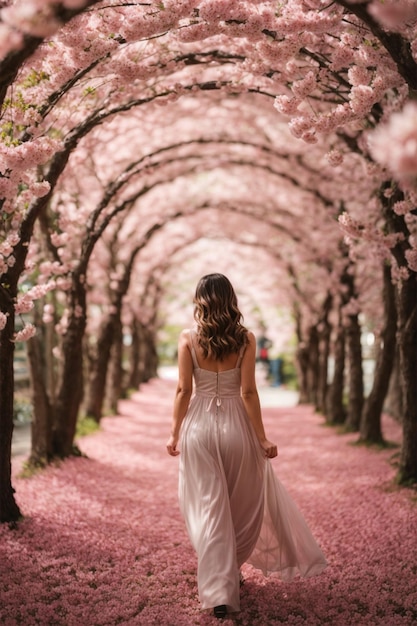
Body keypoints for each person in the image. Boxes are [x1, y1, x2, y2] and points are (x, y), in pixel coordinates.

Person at [166, 274, 327, 619]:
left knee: (207, 507)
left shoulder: (188, 339)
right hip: (237, 428)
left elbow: (183, 391)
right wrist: (262, 437)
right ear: (231, 300)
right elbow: (249, 392)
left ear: (200, 301)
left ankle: (218, 586)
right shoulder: (247, 339)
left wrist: (175, 433)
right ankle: (229, 572)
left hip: (199, 428)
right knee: (240, 506)